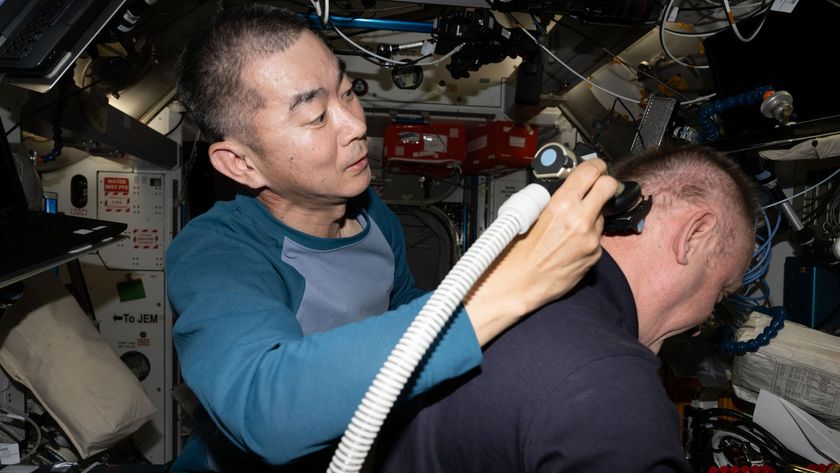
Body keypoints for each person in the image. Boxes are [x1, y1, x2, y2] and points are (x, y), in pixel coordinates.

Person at [166, 4, 618, 471]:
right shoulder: (216, 252)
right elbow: (263, 409)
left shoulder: (373, 216)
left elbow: (401, 307)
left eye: (348, 92)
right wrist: (514, 284)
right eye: (318, 116)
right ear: (241, 163)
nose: (357, 125)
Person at [375, 145, 760, 473]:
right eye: (722, 291)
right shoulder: (610, 381)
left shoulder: (493, 298)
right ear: (693, 236)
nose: (701, 325)